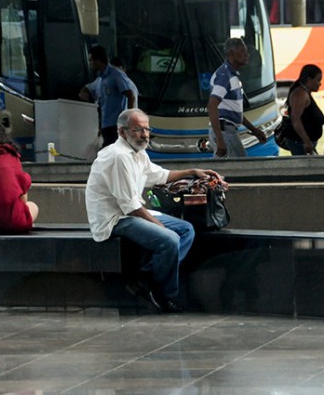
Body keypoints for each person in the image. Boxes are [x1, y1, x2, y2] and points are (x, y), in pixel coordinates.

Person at [85, 108, 222, 313]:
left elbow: (160, 175)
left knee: (186, 230)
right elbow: (130, 206)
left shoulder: (138, 153)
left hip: (130, 212)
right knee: (170, 239)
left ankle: (144, 279)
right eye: (138, 130)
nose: (145, 135)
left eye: (147, 129)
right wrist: (158, 225)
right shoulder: (118, 157)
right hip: (114, 219)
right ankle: (164, 295)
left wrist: (193, 171)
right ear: (122, 132)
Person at [207, 37, 267, 157]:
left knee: (230, 171)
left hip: (227, 130)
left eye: (246, 52)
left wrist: (254, 130)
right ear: (231, 53)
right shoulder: (225, 75)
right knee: (240, 168)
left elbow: (235, 112)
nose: (246, 55)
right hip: (224, 131)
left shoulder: (233, 76)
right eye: (242, 51)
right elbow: (212, 106)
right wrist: (220, 139)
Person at [80, 46, 135, 148]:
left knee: (106, 155)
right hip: (106, 127)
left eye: (91, 60)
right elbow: (101, 103)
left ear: (99, 61)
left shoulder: (116, 75)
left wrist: (129, 119)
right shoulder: (100, 79)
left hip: (117, 125)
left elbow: (130, 95)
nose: (90, 63)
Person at [286, 64, 324, 156]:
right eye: (318, 80)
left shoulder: (304, 92)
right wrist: (306, 141)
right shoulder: (301, 94)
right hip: (301, 143)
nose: (320, 83)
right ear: (309, 80)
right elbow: (295, 118)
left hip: (304, 142)